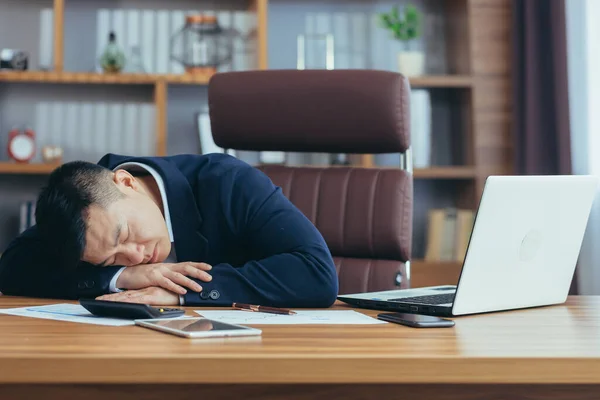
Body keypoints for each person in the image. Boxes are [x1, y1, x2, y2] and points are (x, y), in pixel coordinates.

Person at [0, 153, 339, 307]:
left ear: (127, 182)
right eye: (111, 259)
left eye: (124, 235)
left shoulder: (228, 182)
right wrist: (120, 277)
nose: (134, 255)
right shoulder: (78, 207)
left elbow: (317, 274)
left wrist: (182, 292)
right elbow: (11, 267)